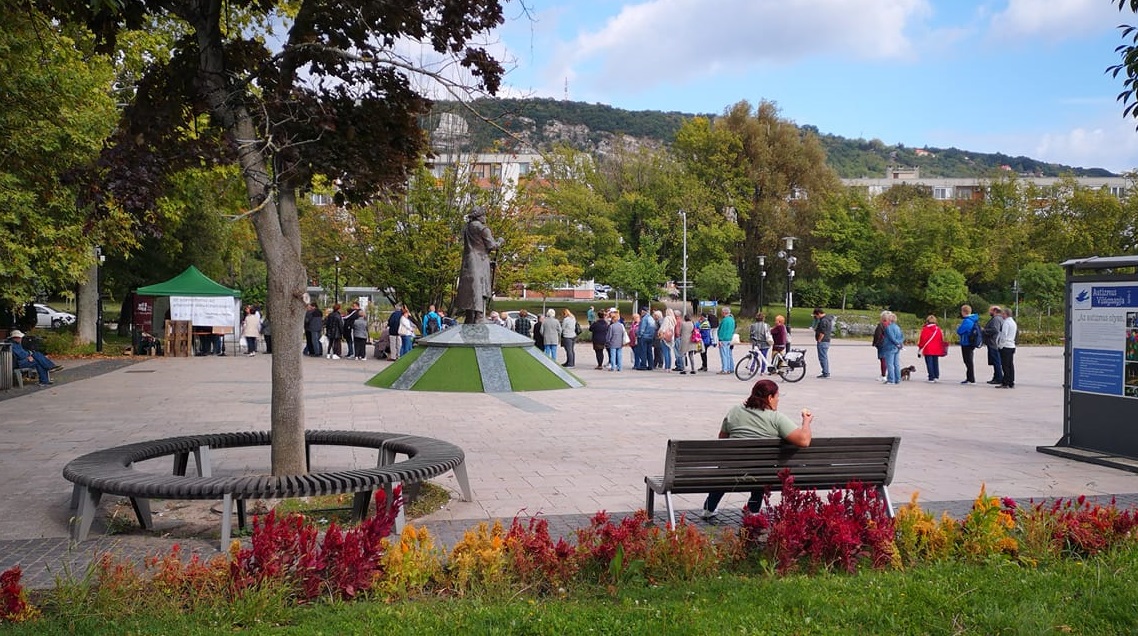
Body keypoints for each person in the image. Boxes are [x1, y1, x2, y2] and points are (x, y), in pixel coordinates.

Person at [701, 378, 813, 518]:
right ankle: (753, 509)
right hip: (761, 473)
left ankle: (709, 508)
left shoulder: (735, 411)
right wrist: (806, 421)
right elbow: (804, 441)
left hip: (730, 470)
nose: (778, 400)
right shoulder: (776, 418)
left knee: (727, 467)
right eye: (777, 397)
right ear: (770, 397)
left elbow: (722, 439)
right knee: (761, 466)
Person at [455, 206, 504, 323]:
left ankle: (469, 316)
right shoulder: (483, 229)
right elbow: (492, 245)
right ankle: (479, 316)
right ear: (479, 216)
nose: (485, 218)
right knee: (480, 287)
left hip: (468, 261)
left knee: (470, 288)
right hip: (480, 262)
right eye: (483, 215)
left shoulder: (466, 229)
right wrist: (500, 241)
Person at [955, 304, 981, 384]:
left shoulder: (967, 321)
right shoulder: (973, 319)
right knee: (969, 360)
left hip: (966, 342)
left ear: (964, 312)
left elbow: (960, 331)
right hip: (971, 342)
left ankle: (971, 378)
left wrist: (958, 328)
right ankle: (969, 378)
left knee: (968, 361)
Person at [916, 315, 947, 382]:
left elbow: (922, 339)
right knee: (935, 362)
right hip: (936, 349)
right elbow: (941, 339)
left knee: (929, 363)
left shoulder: (925, 329)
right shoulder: (938, 329)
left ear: (927, 321)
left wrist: (920, 347)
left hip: (928, 348)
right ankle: (936, 376)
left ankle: (931, 377)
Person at [982, 305, 1005, 385]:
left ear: (994, 311)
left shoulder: (996, 319)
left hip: (993, 343)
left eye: (990, 310)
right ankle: (996, 377)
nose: (989, 312)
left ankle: (998, 378)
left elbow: (995, 330)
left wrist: (984, 331)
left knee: (996, 361)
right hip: (994, 343)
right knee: (996, 361)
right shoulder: (1000, 318)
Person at [881, 311, 904, 385]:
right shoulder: (897, 327)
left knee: (890, 364)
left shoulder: (888, 328)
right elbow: (902, 337)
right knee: (896, 364)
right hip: (897, 348)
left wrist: (896, 343)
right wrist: (899, 343)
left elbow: (891, 338)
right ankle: (898, 379)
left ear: (889, 320)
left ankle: (891, 379)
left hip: (890, 347)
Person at [997, 308, 1018, 389]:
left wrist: (1000, 345)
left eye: (1003, 314)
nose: (1002, 315)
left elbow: (1004, 335)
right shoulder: (1013, 322)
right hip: (1012, 345)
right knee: (1010, 365)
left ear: (1006, 314)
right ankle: (1011, 381)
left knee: (1005, 365)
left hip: (1006, 345)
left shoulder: (1006, 323)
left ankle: (1005, 382)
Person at [812, 308, 833, 379]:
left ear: (818, 313)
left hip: (823, 341)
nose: (816, 317)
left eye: (816, 316)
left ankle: (825, 373)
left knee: (822, 357)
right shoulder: (827, 319)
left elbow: (822, 332)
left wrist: (819, 340)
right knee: (824, 357)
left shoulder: (823, 321)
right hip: (826, 340)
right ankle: (825, 372)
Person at [717, 307, 736, 375]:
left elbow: (722, 330)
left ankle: (725, 369)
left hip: (724, 339)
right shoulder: (732, 320)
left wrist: (719, 339)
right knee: (729, 354)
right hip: (730, 338)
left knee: (724, 354)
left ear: (724, 312)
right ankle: (731, 368)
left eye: (722, 312)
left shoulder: (724, 320)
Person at [871, 317, 887, 382]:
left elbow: (877, 335)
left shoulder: (881, 325)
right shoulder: (891, 325)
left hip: (882, 343)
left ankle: (883, 375)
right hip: (889, 344)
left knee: (883, 359)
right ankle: (885, 374)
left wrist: (875, 343)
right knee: (887, 360)